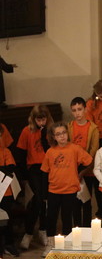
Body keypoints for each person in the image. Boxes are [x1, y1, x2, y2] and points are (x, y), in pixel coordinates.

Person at [41, 122, 93, 257]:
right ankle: (50, 243)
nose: (62, 136)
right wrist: (44, 193)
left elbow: (88, 161)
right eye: (58, 134)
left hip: (70, 190)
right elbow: (45, 171)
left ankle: (66, 244)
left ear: (67, 134)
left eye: (64, 133)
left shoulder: (75, 148)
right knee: (51, 217)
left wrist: (78, 174)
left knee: (67, 218)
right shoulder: (50, 152)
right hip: (53, 190)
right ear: (53, 137)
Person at [18, 105, 54, 250]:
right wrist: (24, 176)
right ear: (34, 119)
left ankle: (42, 230)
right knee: (37, 200)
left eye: (43, 119)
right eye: (38, 120)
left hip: (49, 169)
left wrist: (44, 133)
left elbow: (51, 150)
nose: (41, 123)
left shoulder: (50, 131)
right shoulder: (26, 131)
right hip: (33, 169)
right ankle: (28, 233)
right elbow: (21, 153)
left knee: (45, 200)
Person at [68, 97, 99, 227]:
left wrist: (85, 168)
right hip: (73, 169)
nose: (77, 113)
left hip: (88, 169)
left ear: (85, 109)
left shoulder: (93, 128)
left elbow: (94, 150)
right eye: (74, 110)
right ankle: (76, 228)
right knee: (75, 201)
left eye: (80, 109)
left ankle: (86, 228)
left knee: (86, 200)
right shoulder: (69, 127)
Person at [0, 125, 20, 257]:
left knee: (7, 219)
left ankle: (8, 243)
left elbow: (10, 169)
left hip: (5, 191)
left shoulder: (5, 151)